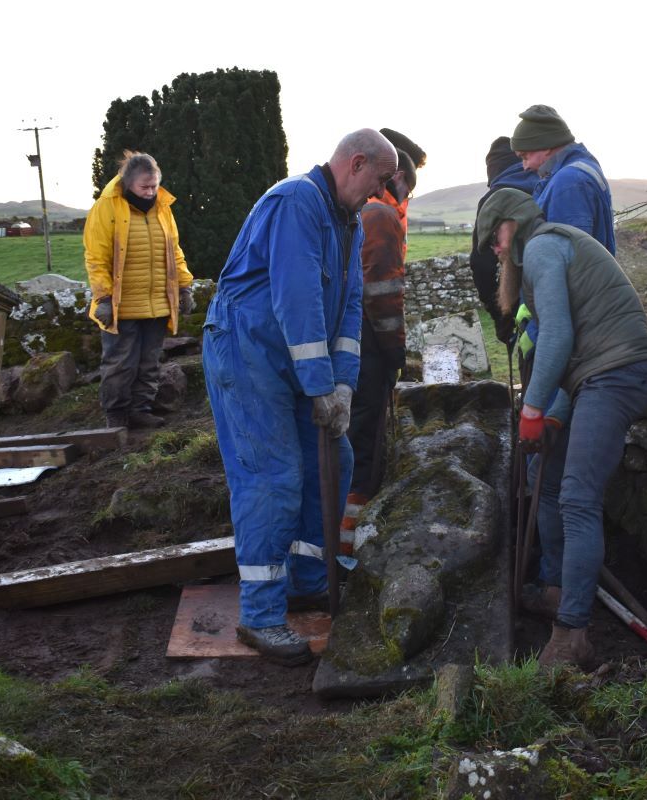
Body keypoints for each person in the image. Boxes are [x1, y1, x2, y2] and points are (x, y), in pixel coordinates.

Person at [203, 129, 398, 665]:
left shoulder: (348, 223)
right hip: (247, 353)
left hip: (288, 359)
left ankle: (311, 579)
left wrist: (342, 384)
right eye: (379, 181)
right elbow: (298, 299)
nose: (380, 194)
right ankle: (262, 615)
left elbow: (349, 305)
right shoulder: (296, 203)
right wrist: (318, 384)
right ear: (355, 163)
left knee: (334, 458)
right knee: (273, 477)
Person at [475, 188, 647, 670]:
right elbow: (566, 353)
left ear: (512, 224)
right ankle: (557, 590)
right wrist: (552, 413)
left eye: (494, 236)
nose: (495, 248)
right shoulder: (544, 249)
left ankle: (572, 634)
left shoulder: (542, 246)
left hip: (618, 374)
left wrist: (533, 409)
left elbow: (558, 336)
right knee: (546, 479)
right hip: (592, 376)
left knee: (577, 497)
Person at [341, 148, 419, 555]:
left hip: (350, 341)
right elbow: (383, 292)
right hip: (370, 345)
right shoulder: (381, 215)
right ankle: (350, 546)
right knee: (364, 441)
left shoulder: (358, 212)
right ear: (398, 179)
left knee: (350, 434)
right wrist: (396, 350)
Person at [85, 151, 194, 430]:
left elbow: (175, 251)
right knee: (120, 363)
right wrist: (104, 298)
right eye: (144, 187)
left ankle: (140, 410)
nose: (151, 192)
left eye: (154, 185)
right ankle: (116, 416)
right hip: (122, 305)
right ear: (128, 183)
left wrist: (184, 287)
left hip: (158, 300)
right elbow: (96, 257)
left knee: (150, 361)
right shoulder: (106, 208)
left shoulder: (163, 208)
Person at [511, 104, 616, 255]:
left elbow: (568, 259)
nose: (524, 166)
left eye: (525, 156)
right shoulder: (582, 168)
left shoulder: (568, 182)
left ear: (545, 146)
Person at [469, 136, 540, 343]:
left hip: (520, 295)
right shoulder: (544, 186)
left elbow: (481, 264)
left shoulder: (495, 200)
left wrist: (500, 313)